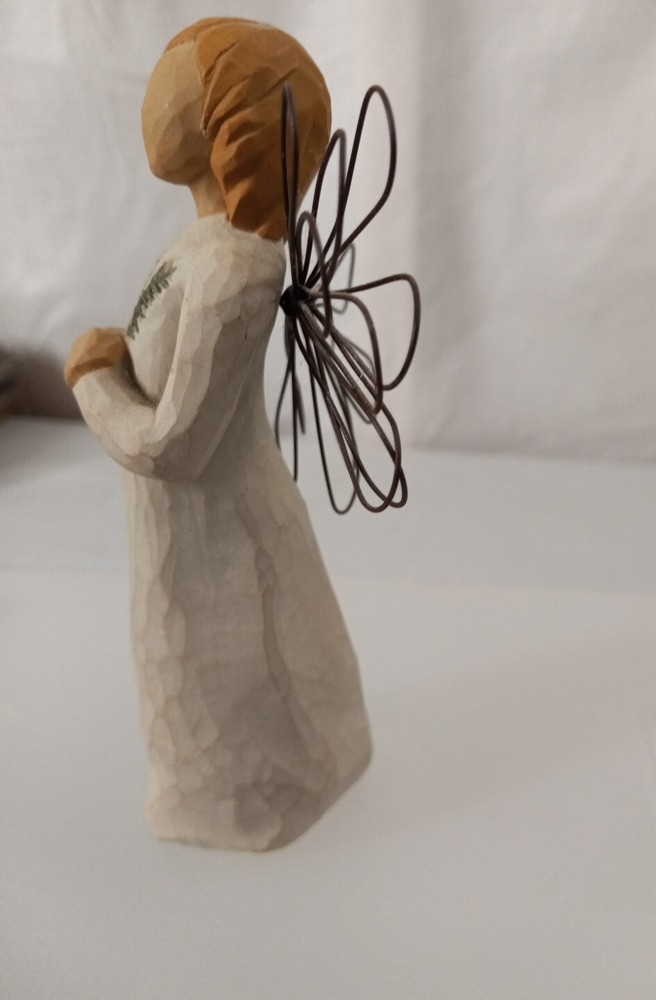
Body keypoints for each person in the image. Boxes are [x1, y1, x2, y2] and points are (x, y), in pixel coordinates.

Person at [64, 18, 372, 851]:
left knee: (233, 695)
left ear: (230, 116)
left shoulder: (237, 270)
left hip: (221, 543)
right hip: (182, 542)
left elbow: (177, 448)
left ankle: (263, 792)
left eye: (179, 76)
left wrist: (93, 382)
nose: (152, 94)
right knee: (191, 684)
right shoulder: (201, 250)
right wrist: (122, 358)